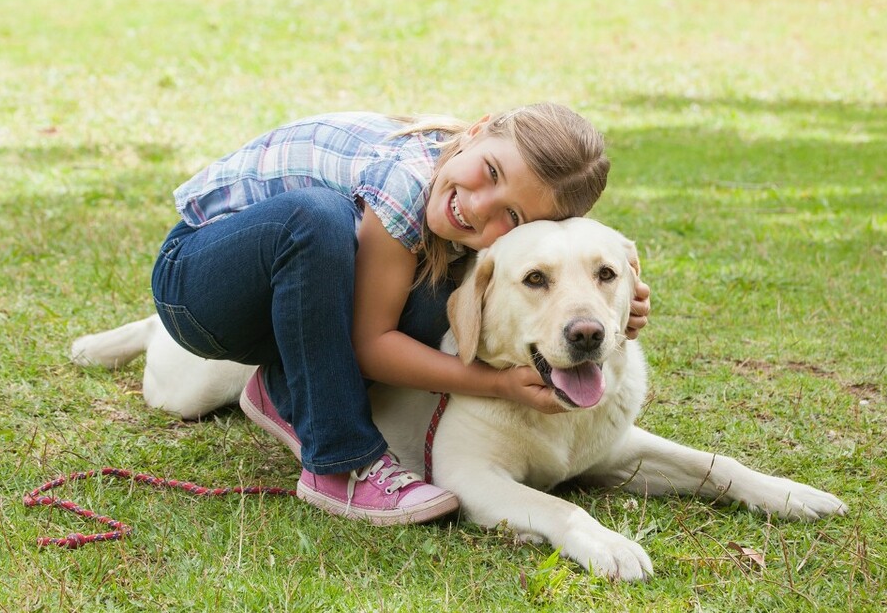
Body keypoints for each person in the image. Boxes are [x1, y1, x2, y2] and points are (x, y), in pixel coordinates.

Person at [150, 105, 651, 526]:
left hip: (286, 301)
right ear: (477, 130)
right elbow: (371, 343)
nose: (479, 206)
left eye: (514, 218)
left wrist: (608, 305)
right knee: (316, 218)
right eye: (492, 173)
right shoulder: (406, 181)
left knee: (438, 293)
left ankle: (281, 386)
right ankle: (339, 462)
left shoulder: (456, 206)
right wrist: (495, 384)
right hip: (199, 282)